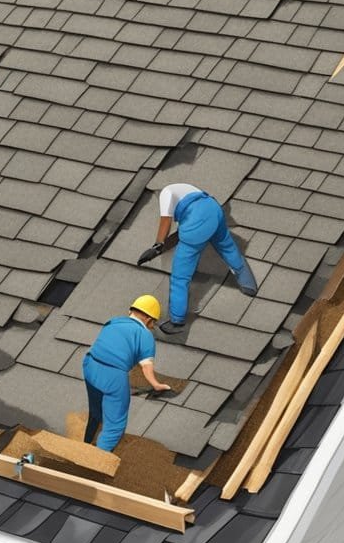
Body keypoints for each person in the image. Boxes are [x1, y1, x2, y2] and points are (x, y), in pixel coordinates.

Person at [137, 183, 258, 334]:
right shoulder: (182, 189)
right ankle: (249, 285)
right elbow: (181, 230)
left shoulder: (165, 194)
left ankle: (177, 321)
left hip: (197, 223)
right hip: (214, 210)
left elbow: (166, 222)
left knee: (180, 277)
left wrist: (157, 246)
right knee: (228, 248)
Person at [82, 296, 172, 453]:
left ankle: (86, 441)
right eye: (153, 324)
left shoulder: (113, 322)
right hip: (113, 374)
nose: (152, 327)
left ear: (131, 311)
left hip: (90, 364)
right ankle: (96, 459)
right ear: (149, 320)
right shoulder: (144, 335)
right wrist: (156, 384)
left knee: (97, 409)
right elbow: (146, 366)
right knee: (115, 424)